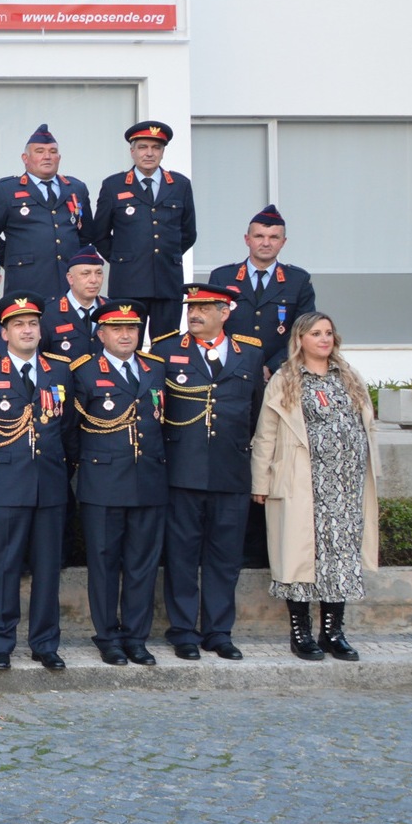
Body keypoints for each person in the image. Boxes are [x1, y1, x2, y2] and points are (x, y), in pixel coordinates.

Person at [251, 312, 377, 662]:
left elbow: (363, 422)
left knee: (340, 558)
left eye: (329, 333)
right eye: (317, 333)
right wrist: (261, 480)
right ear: (300, 339)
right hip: (303, 481)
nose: (325, 339)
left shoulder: (348, 375)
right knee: (301, 556)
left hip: (346, 485)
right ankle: (301, 633)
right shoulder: (286, 378)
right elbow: (267, 433)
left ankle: (333, 632)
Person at [0, 296, 75, 671]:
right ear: (5, 331)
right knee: (4, 566)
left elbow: (69, 430)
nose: (27, 330)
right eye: (19, 324)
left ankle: (45, 642)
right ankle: (0, 643)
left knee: (47, 568)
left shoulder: (59, 370)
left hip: (50, 484)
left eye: (32, 324)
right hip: (5, 483)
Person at [158, 283, 263, 662]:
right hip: (182, 470)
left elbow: (254, 413)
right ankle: (183, 630)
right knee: (182, 554)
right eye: (192, 307)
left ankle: (219, 631)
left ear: (226, 312)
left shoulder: (248, 354)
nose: (195, 313)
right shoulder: (166, 350)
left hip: (230, 471)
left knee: (225, 557)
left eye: (205, 307)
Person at [69, 299, 169, 667]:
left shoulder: (155, 368)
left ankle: (136, 637)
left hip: (149, 480)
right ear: (101, 334)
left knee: (143, 564)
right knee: (105, 563)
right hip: (103, 482)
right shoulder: (83, 371)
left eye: (132, 328)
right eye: (117, 329)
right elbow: (71, 433)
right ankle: (107, 636)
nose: (126, 335)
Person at [90, 120, 196, 341]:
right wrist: (123, 259)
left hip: (168, 281)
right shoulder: (114, 185)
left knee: (167, 346)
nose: (149, 153)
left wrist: (167, 255)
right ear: (132, 151)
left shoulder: (180, 185)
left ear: (163, 152)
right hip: (128, 282)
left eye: (156, 148)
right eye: (143, 147)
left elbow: (188, 233)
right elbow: (99, 234)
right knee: (125, 345)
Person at [0, 124, 93, 300]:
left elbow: (86, 234)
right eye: (40, 151)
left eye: (52, 151)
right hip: (27, 281)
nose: (47, 156)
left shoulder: (76, 188)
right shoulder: (7, 190)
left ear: (59, 157)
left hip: (69, 282)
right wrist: (13, 261)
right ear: (25, 158)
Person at [209, 204, 316, 378]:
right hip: (228, 371)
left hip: (281, 374)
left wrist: (273, 367)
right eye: (259, 236)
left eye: (274, 237)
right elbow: (212, 327)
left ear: (283, 242)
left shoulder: (298, 280)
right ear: (247, 239)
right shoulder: (223, 277)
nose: (266, 243)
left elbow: (303, 333)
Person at [38, 245, 107, 362]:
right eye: (86, 274)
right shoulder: (48, 312)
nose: (94, 280)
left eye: (99, 273)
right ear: (70, 278)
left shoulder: (111, 310)